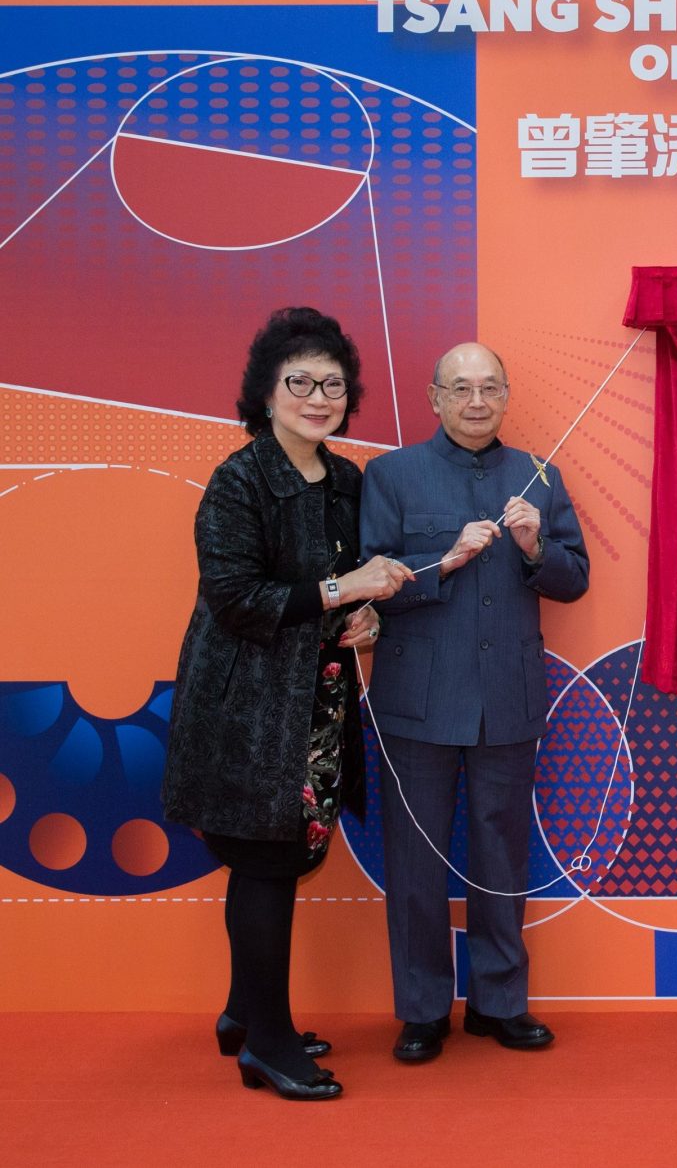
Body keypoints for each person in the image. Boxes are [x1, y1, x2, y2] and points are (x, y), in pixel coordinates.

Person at [161, 308, 414, 1100]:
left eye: (333, 385)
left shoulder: (347, 482)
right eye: (299, 382)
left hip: (318, 703)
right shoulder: (239, 481)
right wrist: (345, 588)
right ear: (266, 394)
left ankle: (245, 1013)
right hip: (246, 710)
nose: (317, 398)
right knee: (266, 862)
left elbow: (341, 594)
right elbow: (237, 598)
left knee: (278, 856)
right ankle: (268, 1044)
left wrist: (364, 618)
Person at [362, 342, 590, 1063]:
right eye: (460, 388)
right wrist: (446, 560)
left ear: (507, 396)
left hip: (508, 698)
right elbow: (370, 584)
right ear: (434, 398)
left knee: (501, 855)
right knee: (415, 861)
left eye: (490, 387)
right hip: (418, 700)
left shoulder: (539, 475)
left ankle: (499, 1003)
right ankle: (423, 1009)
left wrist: (534, 548)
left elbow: (574, 579)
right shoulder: (391, 475)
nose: (476, 401)